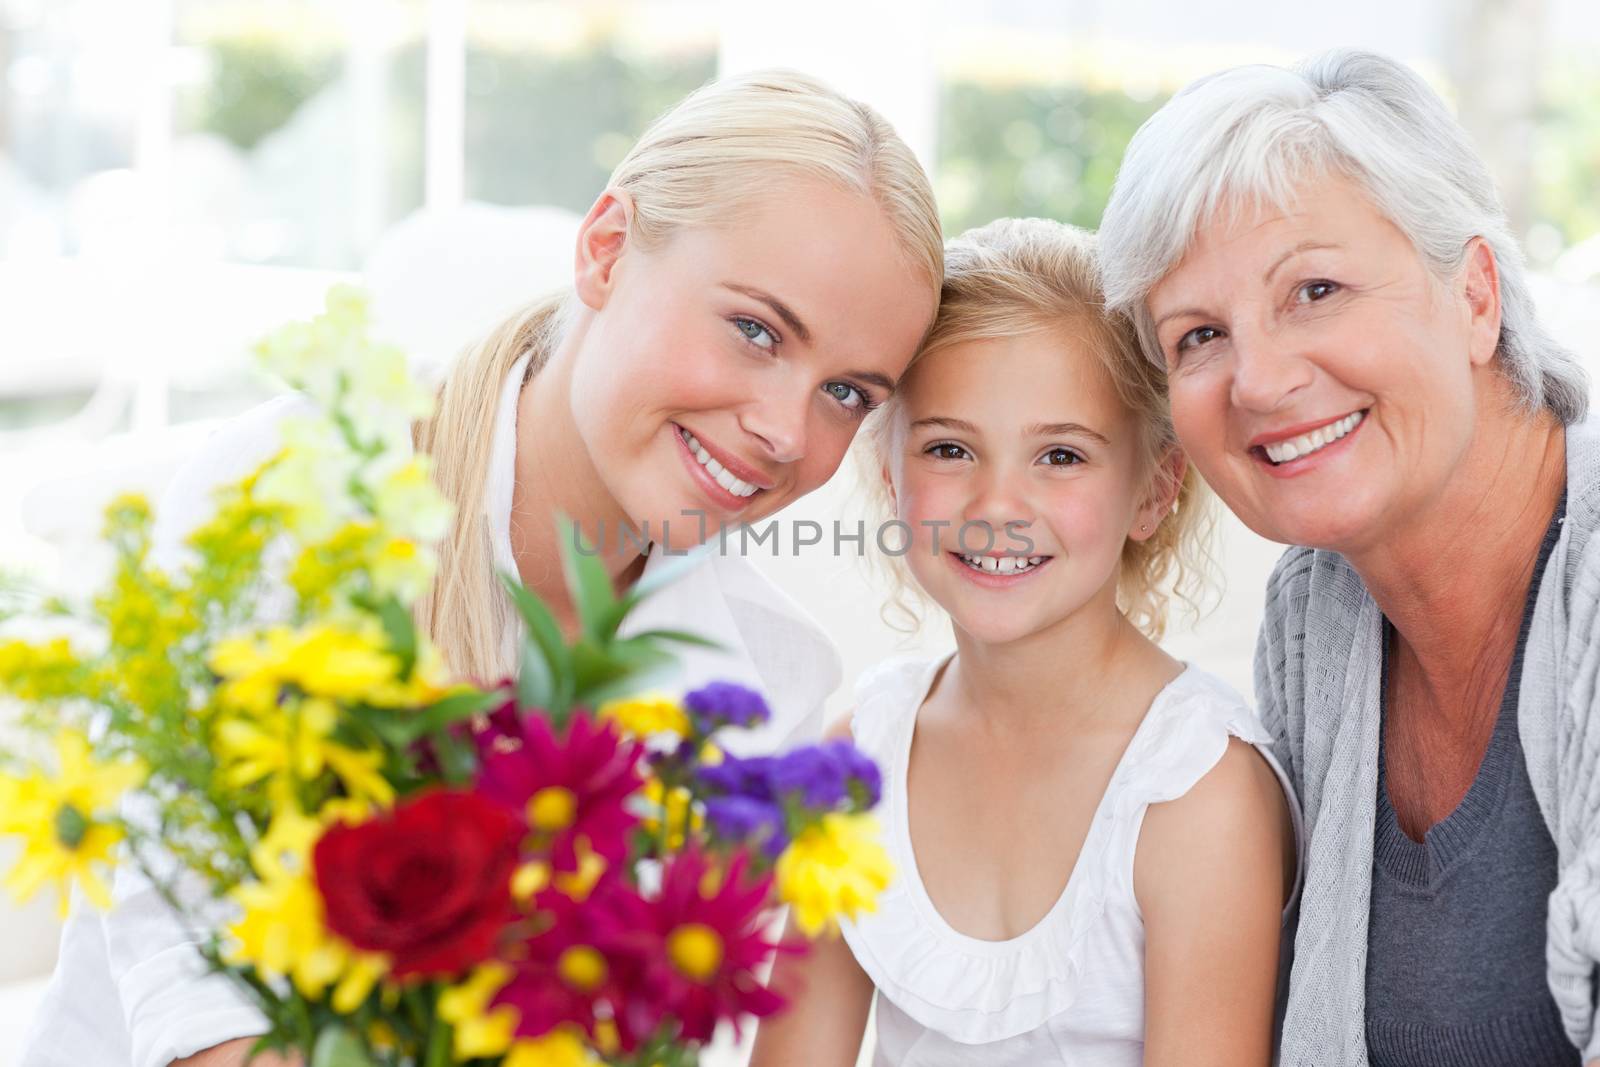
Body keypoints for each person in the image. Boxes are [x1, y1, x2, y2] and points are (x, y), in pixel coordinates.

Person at [21, 69, 943, 1067]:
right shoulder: (296, 499)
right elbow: (198, 998)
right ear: (606, 249)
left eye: (847, 393)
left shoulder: (768, 677)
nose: (782, 428)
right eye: (755, 330)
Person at [1098, 48, 1599, 1066]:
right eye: (1197, 335)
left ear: (1473, 296)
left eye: (1314, 288)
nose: (1261, 379)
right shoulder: (1317, 611)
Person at [750, 218, 1301, 1066]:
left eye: (1060, 455)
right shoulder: (861, 756)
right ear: (892, 477)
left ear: (1154, 490)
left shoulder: (1197, 789)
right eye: (949, 447)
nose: (998, 503)